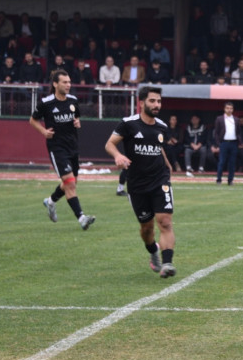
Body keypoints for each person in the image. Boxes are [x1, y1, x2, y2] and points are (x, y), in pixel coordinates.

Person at [105, 86, 177, 278]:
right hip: (137, 184)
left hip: (160, 180)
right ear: (142, 102)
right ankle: (153, 252)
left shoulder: (162, 126)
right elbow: (109, 144)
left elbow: (159, 147)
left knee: (165, 221)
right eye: (152, 101)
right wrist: (118, 156)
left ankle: (167, 263)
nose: (156, 105)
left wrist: (168, 164)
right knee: (147, 229)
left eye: (159, 101)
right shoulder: (128, 124)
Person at [32, 69, 95, 229]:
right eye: (64, 82)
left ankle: (51, 201)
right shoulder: (46, 103)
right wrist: (44, 132)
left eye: (69, 82)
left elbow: (77, 117)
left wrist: (77, 122)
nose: (68, 85)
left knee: (70, 183)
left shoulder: (73, 100)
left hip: (72, 146)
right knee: (70, 183)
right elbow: (32, 120)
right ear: (55, 84)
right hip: (57, 148)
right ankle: (82, 218)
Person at [212, 102, 242, 185]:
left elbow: (238, 132)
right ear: (224, 109)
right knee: (222, 162)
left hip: (233, 143)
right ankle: (219, 179)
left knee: (232, 163)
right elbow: (216, 133)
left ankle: (230, 180)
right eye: (227, 108)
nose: (229, 110)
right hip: (224, 143)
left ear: (233, 109)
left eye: (231, 108)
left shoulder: (236, 119)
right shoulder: (219, 119)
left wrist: (240, 142)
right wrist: (218, 144)